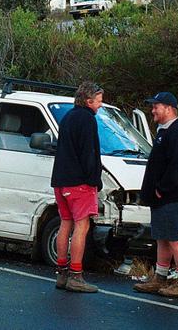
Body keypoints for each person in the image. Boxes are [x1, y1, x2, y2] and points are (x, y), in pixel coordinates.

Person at [133, 92, 178, 299]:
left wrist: (162, 188)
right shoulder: (163, 131)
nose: (153, 110)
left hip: (172, 197)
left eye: (156, 106)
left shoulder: (177, 132)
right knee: (162, 238)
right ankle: (160, 277)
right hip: (161, 197)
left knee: (175, 237)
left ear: (168, 108)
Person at [50, 82, 103, 293]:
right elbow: (89, 153)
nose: (100, 105)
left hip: (60, 180)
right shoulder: (88, 120)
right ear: (89, 101)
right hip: (79, 182)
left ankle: (61, 273)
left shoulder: (68, 118)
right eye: (98, 100)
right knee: (82, 227)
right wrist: (94, 180)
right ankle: (76, 275)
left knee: (65, 223)